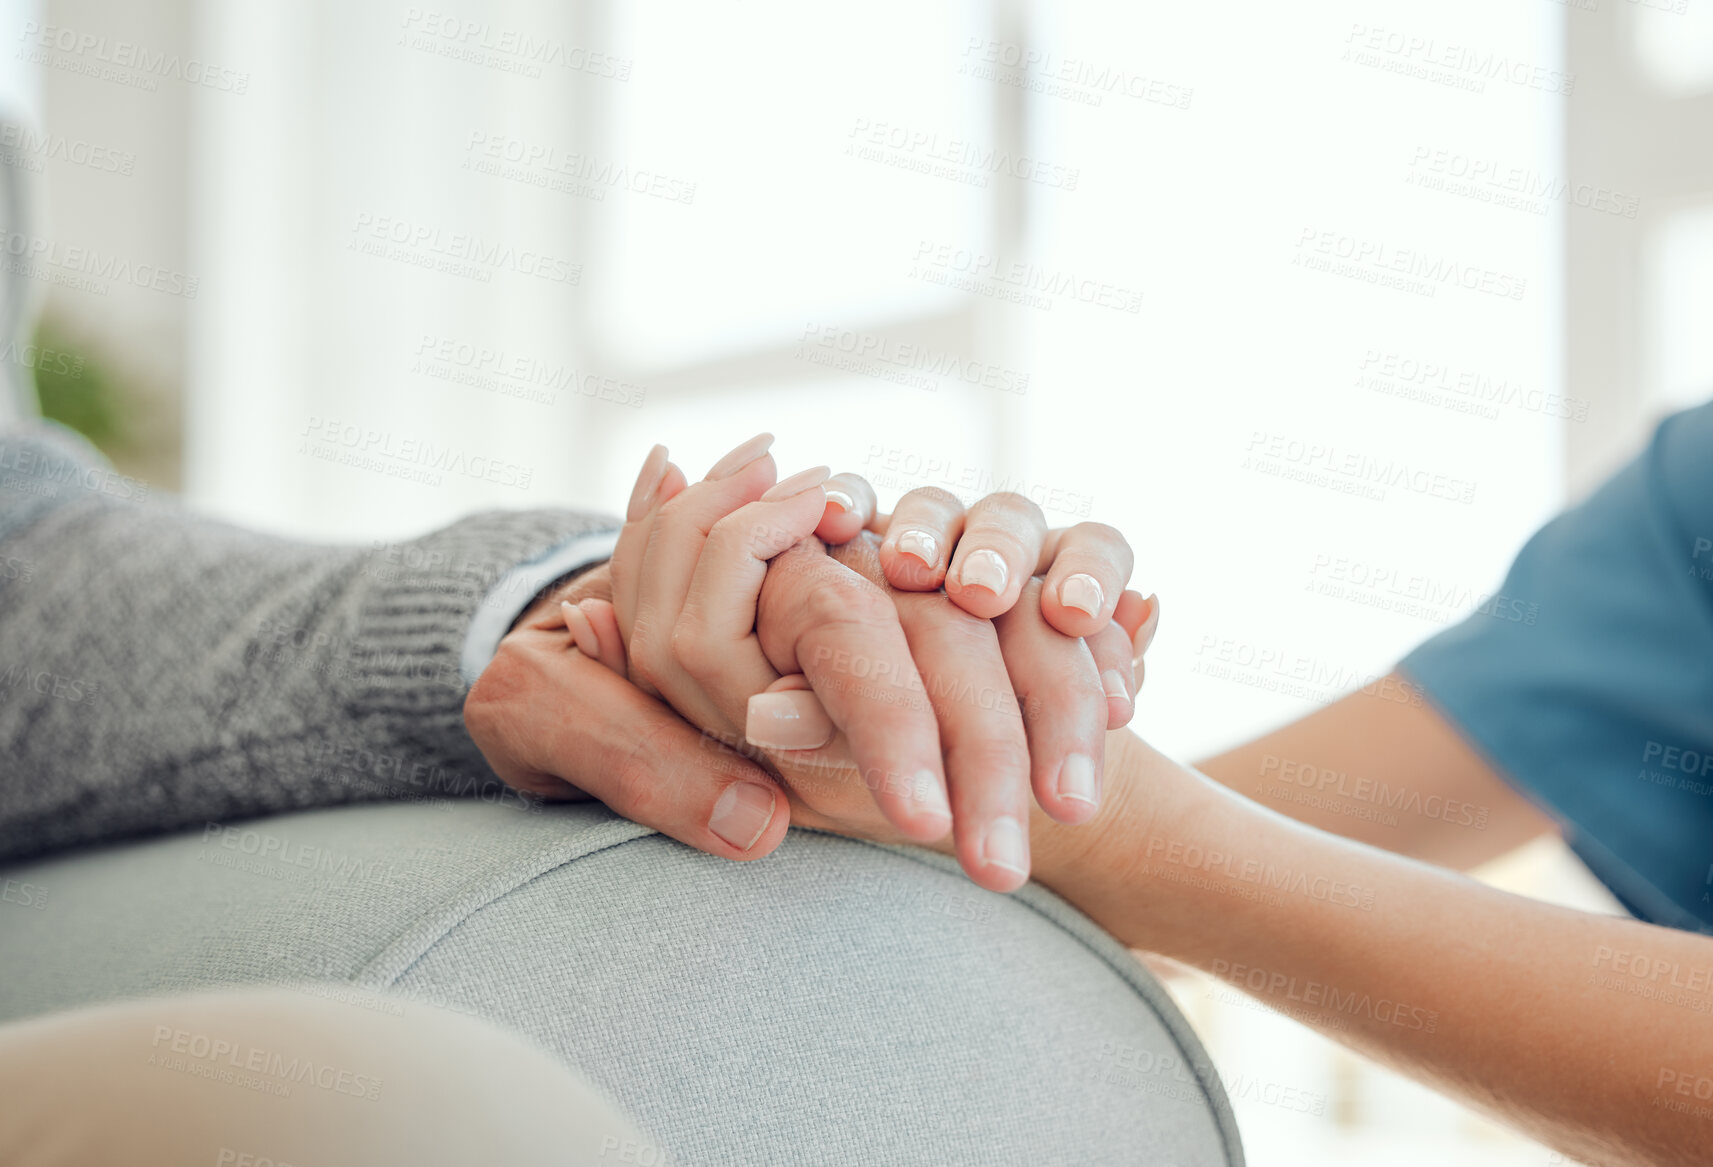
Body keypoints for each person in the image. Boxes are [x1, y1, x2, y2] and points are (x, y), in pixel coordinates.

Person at [573, 401, 1713, 1167]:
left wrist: (1101, 821)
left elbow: (1155, 851)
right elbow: (1214, 838)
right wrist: (919, 680)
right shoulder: (1688, 503)